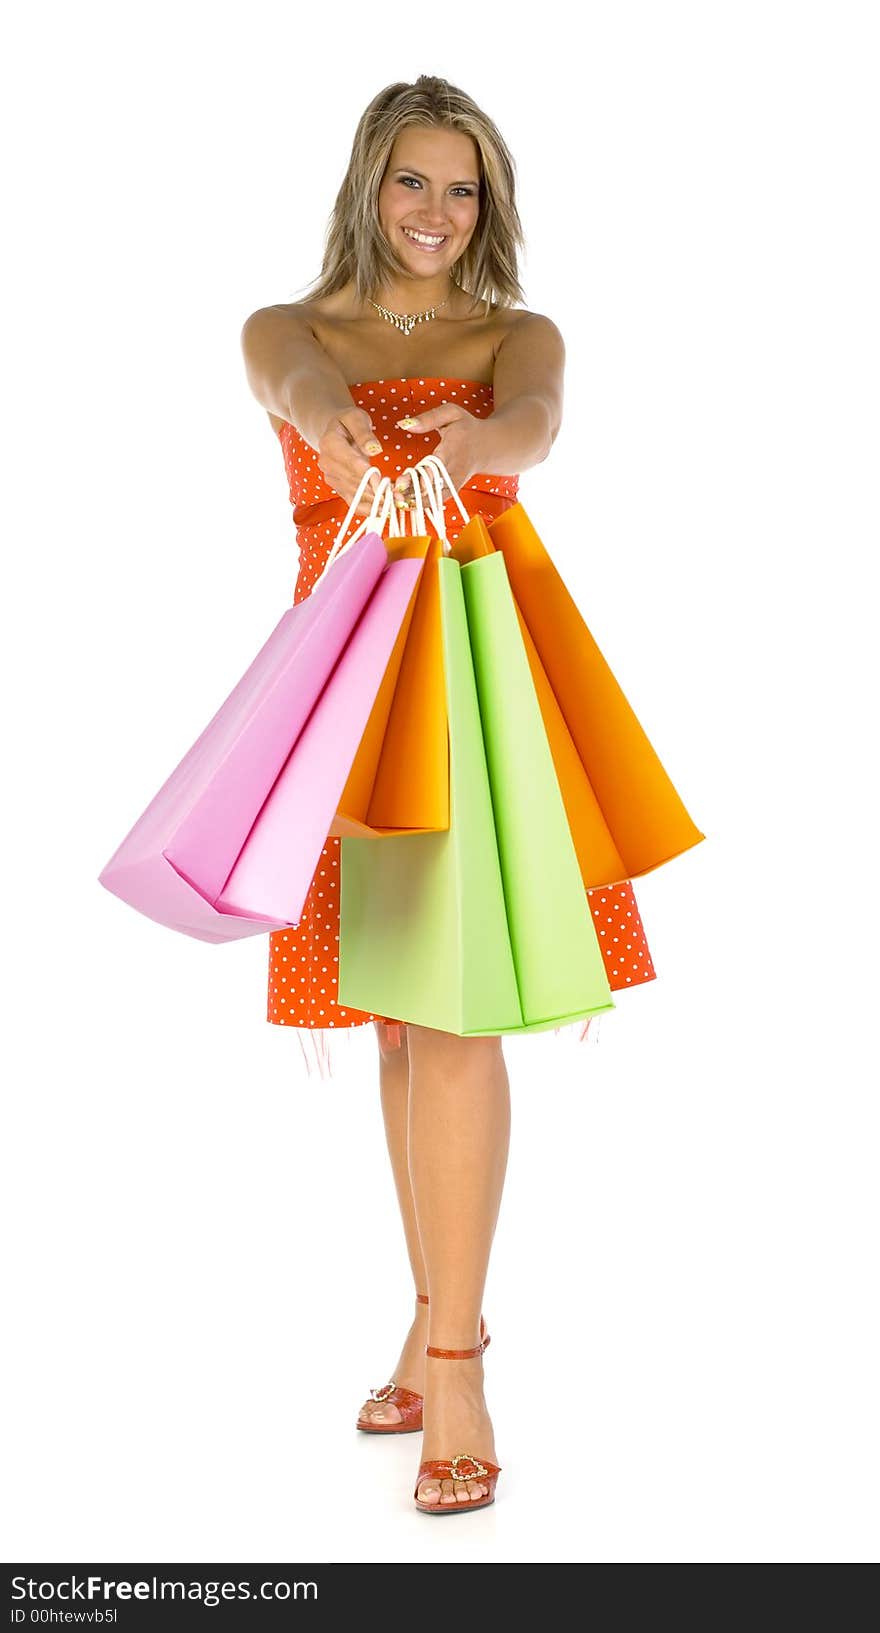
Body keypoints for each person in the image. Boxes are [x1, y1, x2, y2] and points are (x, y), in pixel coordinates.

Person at [240, 74, 655, 1515]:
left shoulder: (512, 334)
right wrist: (334, 417)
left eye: (461, 188)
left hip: (474, 693)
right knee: (400, 1031)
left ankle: (462, 1364)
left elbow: (532, 416)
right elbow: (290, 386)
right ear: (368, 185)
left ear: (491, 204)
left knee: (457, 1010)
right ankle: (424, 1316)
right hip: (343, 702)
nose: (435, 213)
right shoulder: (295, 332)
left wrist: (483, 443)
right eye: (413, 183)